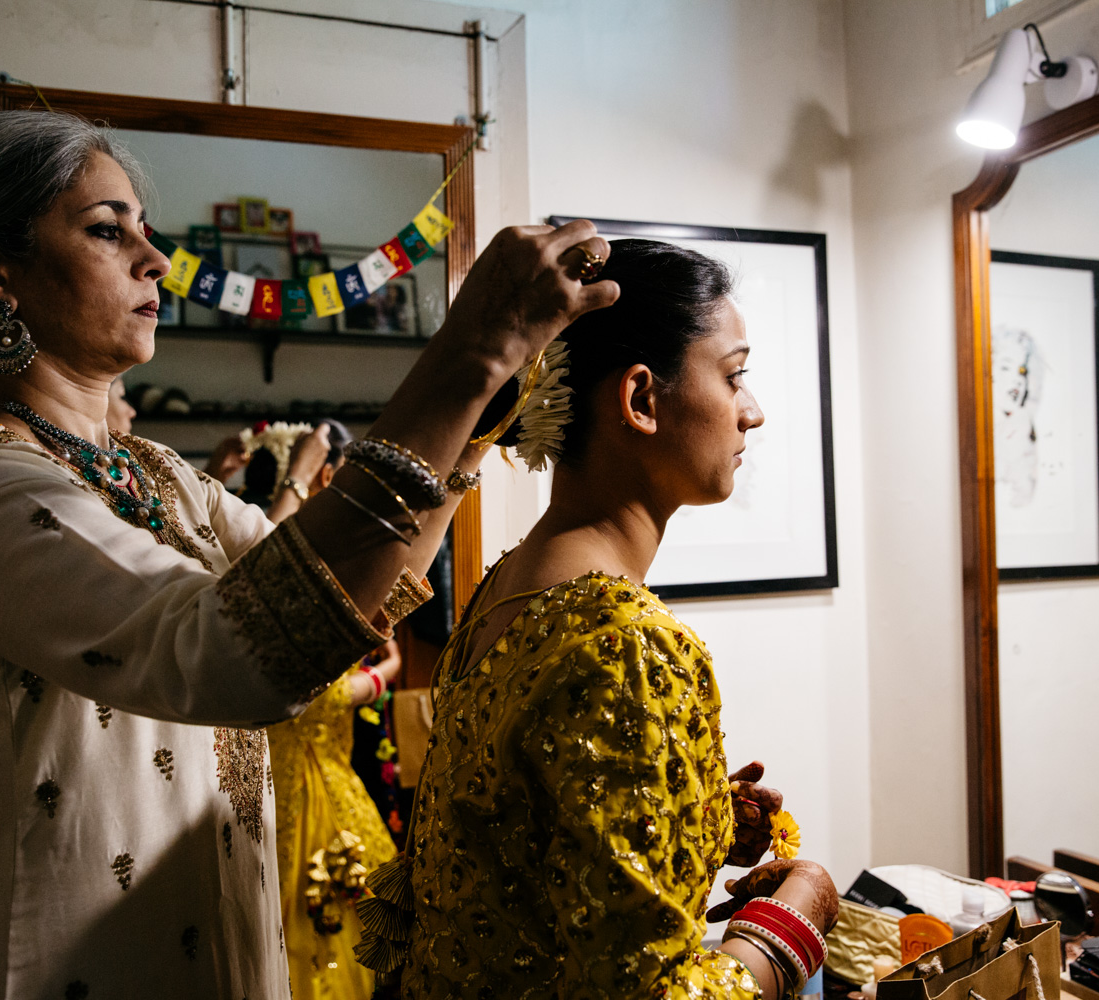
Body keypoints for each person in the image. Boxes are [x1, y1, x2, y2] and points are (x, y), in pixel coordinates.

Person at [0, 109, 616, 1000]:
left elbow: (343, 605)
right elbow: (242, 652)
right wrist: (463, 353)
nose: (155, 261)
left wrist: (484, 397)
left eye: (146, 232)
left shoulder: (157, 476)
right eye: (108, 231)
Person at [360, 240, 840, 999]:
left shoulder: (508, 587)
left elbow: (520, 854)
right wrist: (790, 927)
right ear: (641, 398)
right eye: (734, 374)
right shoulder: (630, 647)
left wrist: (697, 821)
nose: (753, 410)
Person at [240, 419, 404, 999]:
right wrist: (380, 679)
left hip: (320, 781)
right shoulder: (272, 569)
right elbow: (311, 691)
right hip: (294, 790)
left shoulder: (317, 565)